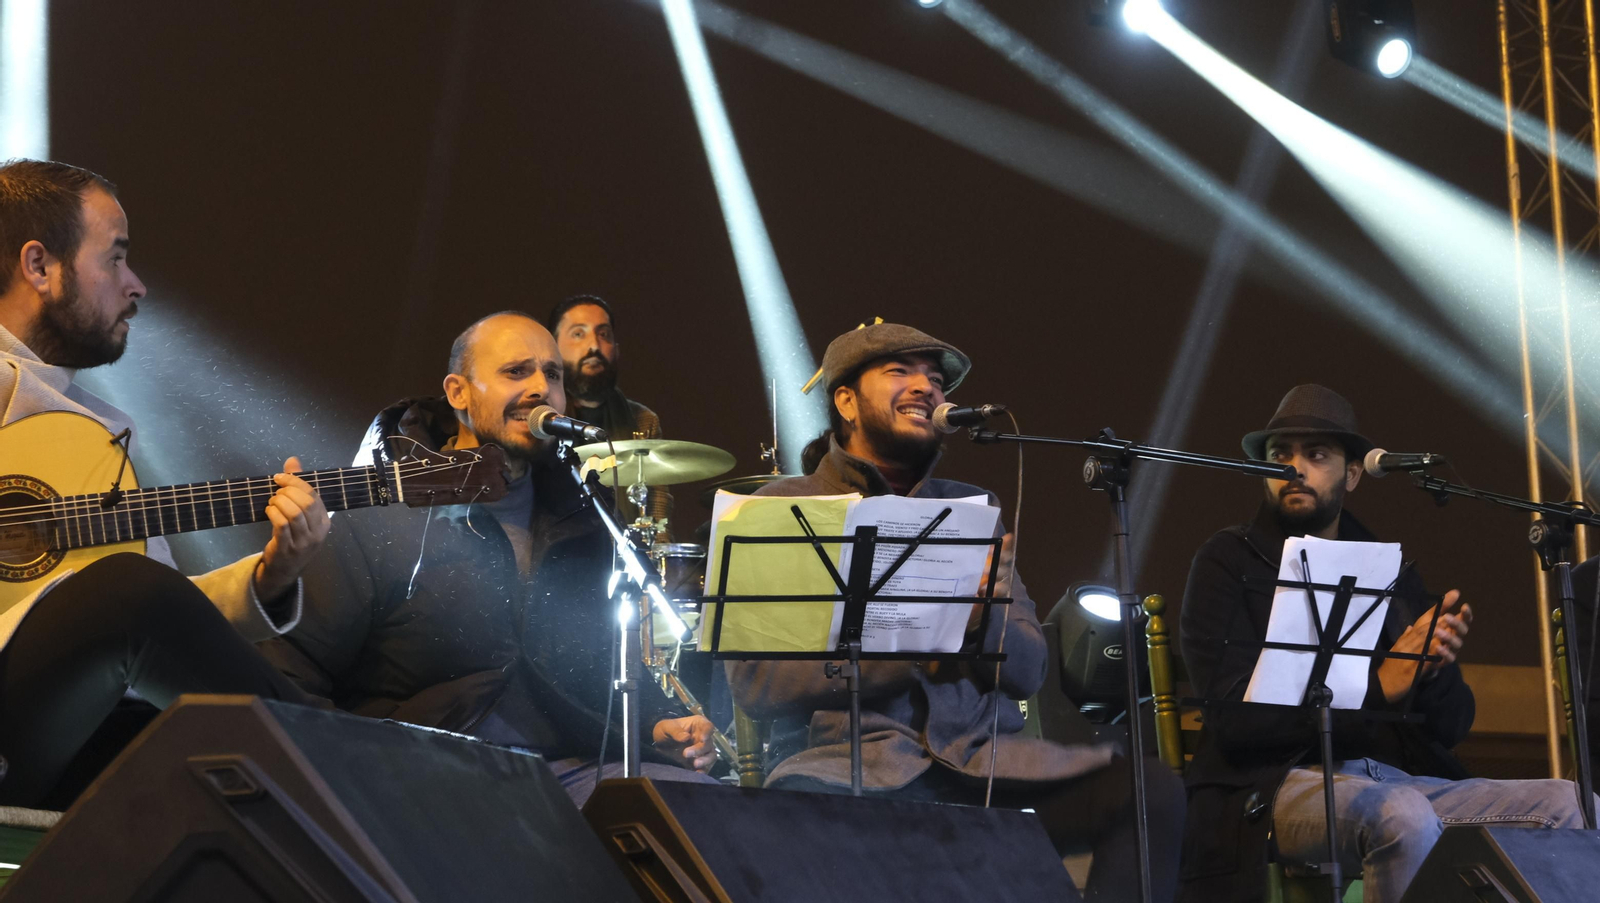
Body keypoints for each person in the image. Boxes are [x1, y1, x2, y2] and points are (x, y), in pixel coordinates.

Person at [726, 322, 1185, 902]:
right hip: (839, 772)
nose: (926, 387)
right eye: (900, 372)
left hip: (980, 764)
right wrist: (927, 635)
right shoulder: (779, 509)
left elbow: (1028, 671)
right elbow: (755, 683)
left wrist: (984, 619)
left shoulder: (971, 507)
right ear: (844, 400)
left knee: (1148, 793)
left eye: (935, 379)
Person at [259, 311, 717, 805]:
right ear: (458, 393)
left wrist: (655, 724)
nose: (542, 387)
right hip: (424, 777)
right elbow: (290, 673)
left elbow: (595, 667)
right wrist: (357, 777)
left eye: (553, 374)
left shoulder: (584, 516)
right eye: (516, 372)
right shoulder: (380, 512)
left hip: (563, 773)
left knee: (706, 812)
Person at [1177, 384, 1593, 903]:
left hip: (1392, 779)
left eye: (1316, 454)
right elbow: (1234, 723)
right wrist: (1379, 688)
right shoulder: (1228, 562)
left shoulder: (1385, 570)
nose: (1294, 468)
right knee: (1401, 813)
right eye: (1279, 454)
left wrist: (1431, 668)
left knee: (1569, 803)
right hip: (1270, 787)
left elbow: (1451, 727)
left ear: (1352, 474)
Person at [0, 160, 327, 807]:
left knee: (184, 757)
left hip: (59, 722)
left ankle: (333, 779)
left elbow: (158, 609)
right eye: (115, 259)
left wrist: (268, 576)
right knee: (128, 592)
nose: (137, 284)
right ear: (39, 266)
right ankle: (356, 776)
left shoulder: (83, 433)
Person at [545, 295, 669, 528]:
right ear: (553, 349)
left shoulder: (642, 420)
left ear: (617, 349)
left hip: (624, 555)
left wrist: (659, 560)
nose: (594, 346)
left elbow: (656, 512)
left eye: (604, 334)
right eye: (578, 334)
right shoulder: (540, 421)